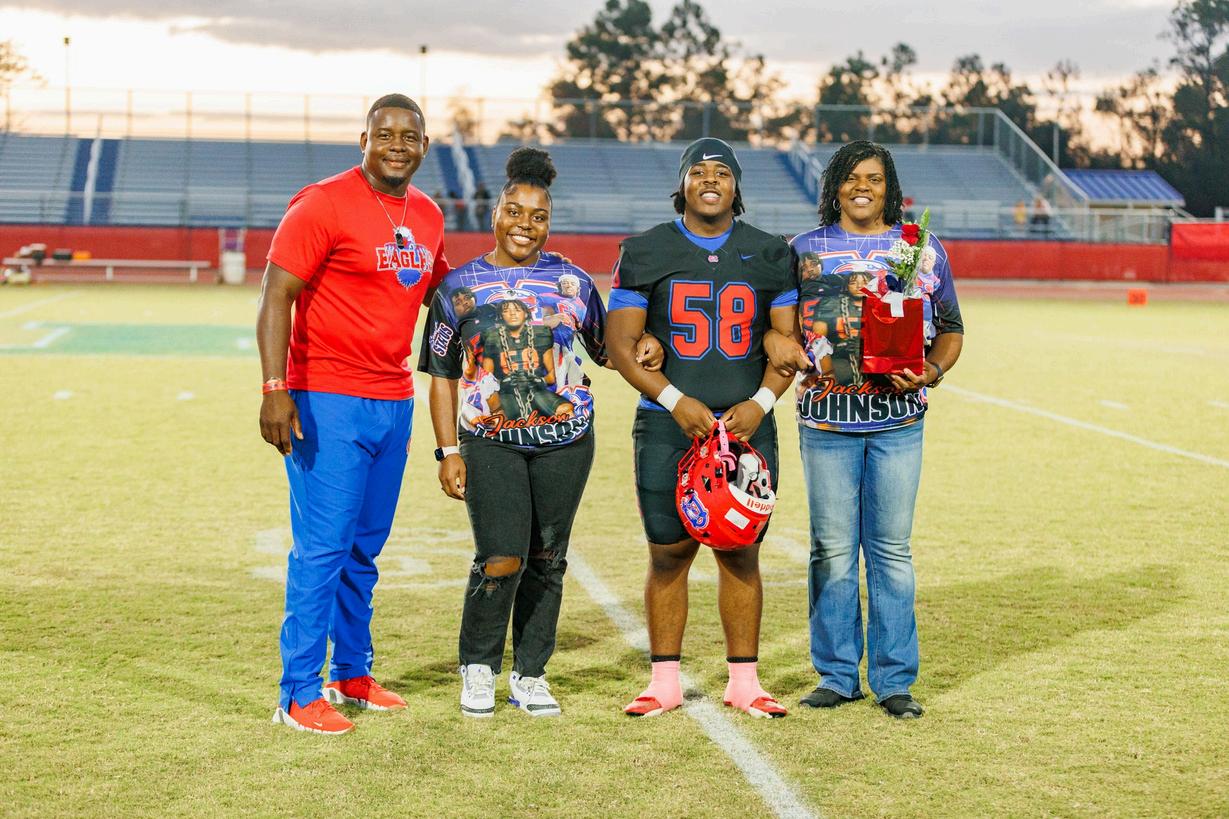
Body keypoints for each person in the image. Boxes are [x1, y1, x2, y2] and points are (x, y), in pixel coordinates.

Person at [257, 93, 449, 735]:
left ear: (424, 146)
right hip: (326, 399)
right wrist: (274, 387)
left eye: (409, 136)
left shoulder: (428, 214)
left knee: (364, 550)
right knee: (322, 550)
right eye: (384, 134)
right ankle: (297, 692)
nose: (397, 145)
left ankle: (351, 673)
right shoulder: (323, 203)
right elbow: (275, 294)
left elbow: (443, 292)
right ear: (363, 140)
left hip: (393, 401)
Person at [766, 140, 964, 719]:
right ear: (834, 187)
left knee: (891, 552)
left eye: (874, 178)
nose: (862, 187)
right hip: (826, 422)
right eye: (851, 177)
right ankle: (836, 675)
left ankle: (894, 680)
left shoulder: (920, 248)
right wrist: (781, 344)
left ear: (889, 188)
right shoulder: (802, 250)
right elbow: (775, 326)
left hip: (898, 424)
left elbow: (951, 327)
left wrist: (931, 371)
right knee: (830, 551)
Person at [606, 138, 800, 719]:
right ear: (682, 184)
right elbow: (621, 345)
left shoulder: (771, 252)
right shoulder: (644, 250)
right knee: (669, 553)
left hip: (746, 429)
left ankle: (745, 682)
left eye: (722, 172)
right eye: (698, 172)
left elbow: (786, 345)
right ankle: (663, 681)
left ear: (737, 187)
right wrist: (673, 399)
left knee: (741, 553)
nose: (710, 180)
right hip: (667, 425)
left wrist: (761, 402)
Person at [419, 147, 607, 718]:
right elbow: (441, 375)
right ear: (495, 213)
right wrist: (447, 450)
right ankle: (478, 666)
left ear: (550, 222)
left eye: (538, 216)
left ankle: (530, 673)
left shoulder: (573, 283)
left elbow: (609, 348)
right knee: (501, 557)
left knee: (547, 558)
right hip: (489, 439)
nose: (525, 224)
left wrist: (646, 344)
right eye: (514, 211)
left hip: (566, 439)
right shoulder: (458, 288)